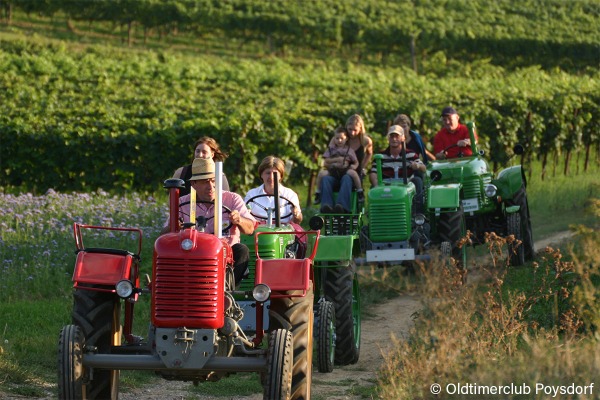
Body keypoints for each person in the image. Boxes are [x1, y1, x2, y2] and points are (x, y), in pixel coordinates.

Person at [163, 157, 256, 285]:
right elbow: (164, 236)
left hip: (225, 256)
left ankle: (224, 291)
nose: (211, 186)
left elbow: (250, 228)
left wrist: (239, 220)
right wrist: (174, 226)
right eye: (205, 182)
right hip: (193, 254)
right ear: (193, 184)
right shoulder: (183, 203)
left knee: (241, 250)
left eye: (213, 181)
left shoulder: (232, 199)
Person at [319, 114, 373, 214]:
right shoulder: (340, 139)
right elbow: (328, 156)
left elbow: (370, 153)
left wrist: (362, 167)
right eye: (349, 129)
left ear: (361, 129)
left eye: (355, 130)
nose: (352, 133)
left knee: (347, 177)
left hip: (353, 174)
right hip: (337, 172)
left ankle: (342, 206)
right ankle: (326, 206)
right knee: (326, 179)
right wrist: (337, 162)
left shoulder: (365, 141)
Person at [369, 125, 426, 213]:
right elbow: (373, 172)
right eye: (391, 136)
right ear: (388, 138)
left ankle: (418, 216)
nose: (394, 139)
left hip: (406, 184)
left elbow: (423, 168)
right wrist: (377, 185)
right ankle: (375, 215)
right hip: (386, 185)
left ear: (403, 138)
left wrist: (417, 166)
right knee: (373, 188)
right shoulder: (381, 156)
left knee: (417, 181)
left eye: (397, 136)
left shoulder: (410, 154)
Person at [245, 156, 303, 226]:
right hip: (258, 231)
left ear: (280, 176)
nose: (271, 177)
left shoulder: (290, 195)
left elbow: (296, 221)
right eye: (268, 173)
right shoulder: (252, 194)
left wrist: (296, 215)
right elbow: (245, 217)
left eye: (275, 173)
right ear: (261, 175)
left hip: (282, 232)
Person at [313, 127, 363, 205]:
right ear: (334, 139)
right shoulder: (331, 149)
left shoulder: (349, 150)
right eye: (337, 138)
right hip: (333, 170)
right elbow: (325, 161)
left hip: (345, 170)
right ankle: (318, 193)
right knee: (322, 174)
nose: (339, 140)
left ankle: (360, 191)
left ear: (346, 139)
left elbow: (356, 162)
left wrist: (354, 166)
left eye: (341, 138)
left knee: (353, 174)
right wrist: (336, 161)